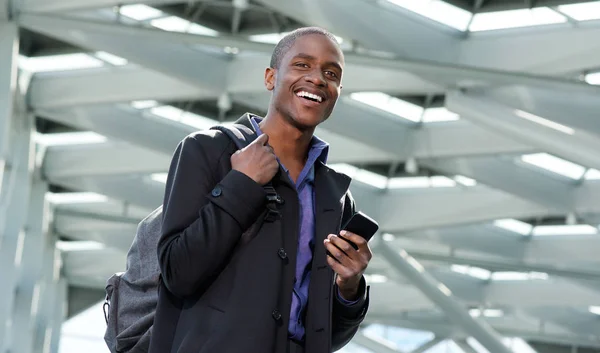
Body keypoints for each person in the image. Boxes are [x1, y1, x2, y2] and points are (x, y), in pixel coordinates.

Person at [148, 27, 373, 353]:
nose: (318, 78)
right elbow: (179, 272)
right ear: (270, 78)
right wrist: (241, 185)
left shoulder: (335, 198)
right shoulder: (207, 151)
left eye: (331, 73)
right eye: (302, 65)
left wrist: (349, 286)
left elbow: (326, 338)